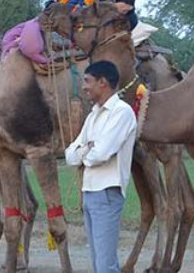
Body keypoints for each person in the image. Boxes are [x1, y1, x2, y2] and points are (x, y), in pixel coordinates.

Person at [64, 61, 137, 273]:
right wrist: (87, 149)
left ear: (103, 82)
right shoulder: (94, 114)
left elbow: (101, 154)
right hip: (90, 191)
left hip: (107, 192)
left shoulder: (121, 112)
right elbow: (70, 155)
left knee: (106, 265)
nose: (84, 87)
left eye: (87, 81)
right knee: (98, 262)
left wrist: (84, 151)